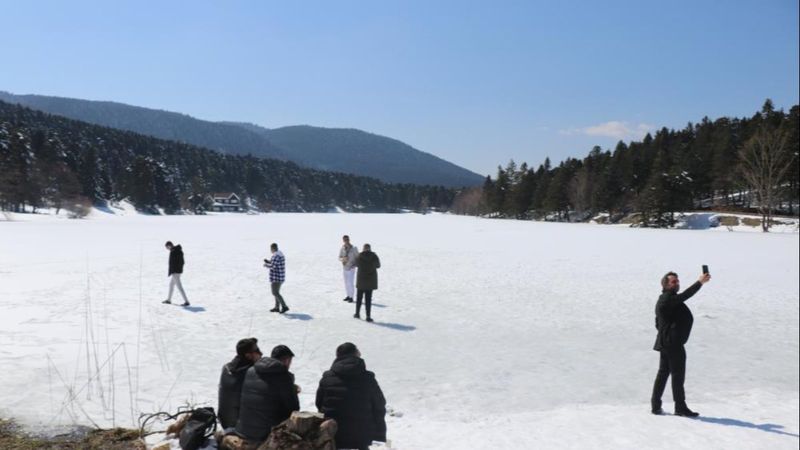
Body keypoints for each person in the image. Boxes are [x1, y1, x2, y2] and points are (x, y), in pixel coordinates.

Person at [651, 270, 711, 417]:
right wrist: (700, 282)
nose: (677, 283)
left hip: (667, 343)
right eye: (673, 281)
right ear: (665, 284)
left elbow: (658, 322)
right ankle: (680, 407)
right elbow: (685, 295)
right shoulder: (667, 299)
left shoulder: (667, 299)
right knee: (677, 375)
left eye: (677, 281)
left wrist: (666, 333)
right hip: (673, 344)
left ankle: (656, 405)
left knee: (663, 373)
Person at [315, 342, 386, 450]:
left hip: (334, 431)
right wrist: (377, 431)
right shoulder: (368, 378)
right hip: (361, 433)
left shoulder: (327, 377)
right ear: (355, 355)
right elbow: (379, 404)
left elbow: (319, 403)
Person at [236, 344, 300, 443]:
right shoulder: (284, 376)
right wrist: (293, 391)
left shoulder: (251, 370)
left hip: (243, 429)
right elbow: (293, 408)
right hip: (265, 434)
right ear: (286, 360)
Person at [218, 338, 262, 429]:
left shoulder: (227, 368)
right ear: (248, 355)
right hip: (240, 427)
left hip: (225, 422)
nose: (260, 353)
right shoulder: (251, 373)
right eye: (257, 350)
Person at [354, 244, 380, 322]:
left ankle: (357, 314)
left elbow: (356, 264)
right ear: (370, 249)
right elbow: (378, 265)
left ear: (363, 249)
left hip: (361, 281)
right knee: (368, 300)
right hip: (370, 281)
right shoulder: (374, 256)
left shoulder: (359, 256)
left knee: (359, 298)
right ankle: (368, 316)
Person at [162, 241, 190, 306]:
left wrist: (175, 270)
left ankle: (187, 301)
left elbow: (181, 262)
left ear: (169, 245)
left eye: (167, 247)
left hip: (176, 272)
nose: (167, 249)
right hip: (176, 272)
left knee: (179, 287)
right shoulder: (175, 250)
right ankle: (169, 300)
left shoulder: (175, 251)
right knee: (171, 285)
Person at [264, 243, 289, 313]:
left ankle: (284, 306)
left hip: (276, 277)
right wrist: (269, 261)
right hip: (280, 277)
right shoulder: (280, 254)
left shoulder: (275, 256)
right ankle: (277, 307)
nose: (270, 251)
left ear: (273, 249)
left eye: (271, 249)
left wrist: (266, 265)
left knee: (275, 293)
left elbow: (273, 267)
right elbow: (276, 263)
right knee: (276, 292)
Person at [339, 235, 359, 303]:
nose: (346, 241)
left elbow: (358, 258)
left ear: (349, 239)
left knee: (350, 283)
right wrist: (343, 259)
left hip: (351, 268)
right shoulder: (342, 248)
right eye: (344, 239)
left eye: (347, 239)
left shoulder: (354, 248)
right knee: (346, 283)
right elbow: (339, 257)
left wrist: (354, 265)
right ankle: (348, 295)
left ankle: (351, 297)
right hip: (345, 268)